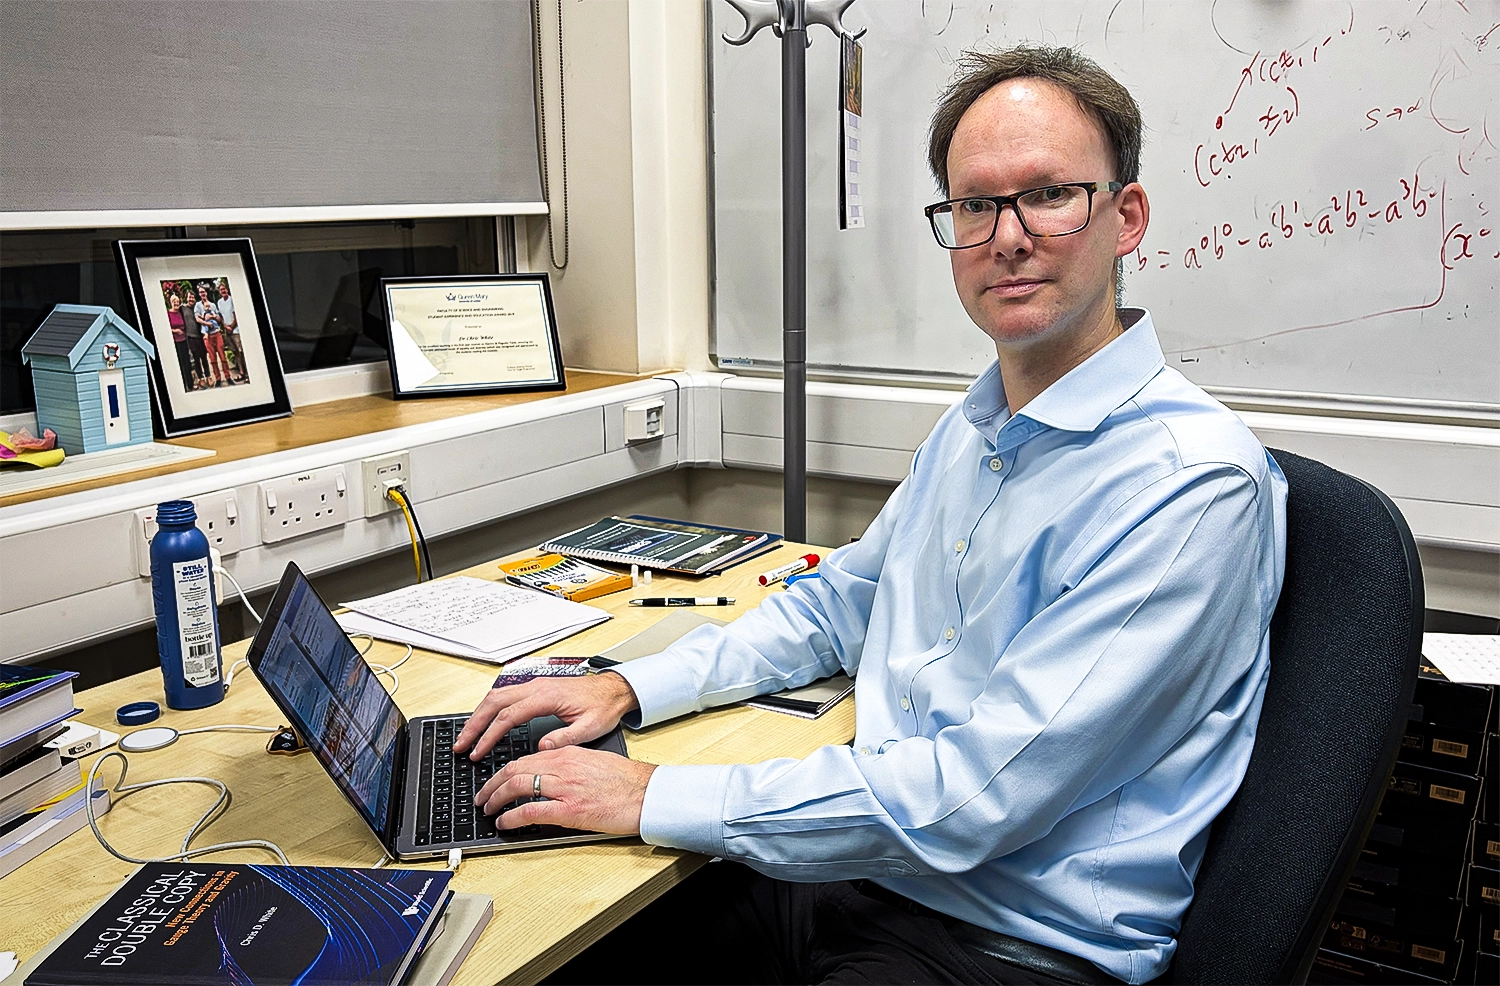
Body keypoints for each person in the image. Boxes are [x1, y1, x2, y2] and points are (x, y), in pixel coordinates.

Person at [453, 44, 1287, 986]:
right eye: (975, 205)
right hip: (866, 872)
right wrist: (631, 688)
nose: (1007, 237)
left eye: (1050, 195)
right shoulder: (977, 426)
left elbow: (976, 797)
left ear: (1125, 216)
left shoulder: (1190, 485)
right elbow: (838, 604)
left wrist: (651, 792)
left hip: (1015, 942)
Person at [194, 284, 230, 387]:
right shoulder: (198, 305)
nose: (202, 294)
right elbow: (197, 319)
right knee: (213, 359)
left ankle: (228, 377)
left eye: (203, 291)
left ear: (206, 292)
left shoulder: (213, 305)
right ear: (199, 294)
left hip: (216, 333)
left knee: (222, 356)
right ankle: (218, 378)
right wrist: (207, 322)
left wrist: (212, 317)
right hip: (207, 336)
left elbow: (218, 318)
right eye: (200, 292)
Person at [216, 281, 248, 384]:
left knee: (242, 352)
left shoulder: (232, 299)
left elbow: (236, 315)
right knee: (235, 353)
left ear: (227, 289)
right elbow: (221, 317)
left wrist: (231, 327)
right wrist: (225, 327)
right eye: (221, 290)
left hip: (236, 330)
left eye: (224, 289)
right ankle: (241, 372)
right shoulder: (219, 302)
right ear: (219, 292)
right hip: (227, 331)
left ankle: (248, 374)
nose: (223, 291)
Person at [179, 286, 208, 388]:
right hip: (190, 337)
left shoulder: (197, 307)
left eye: (193, 297)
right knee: (196, 358)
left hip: (200, 335)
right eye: (189, 297)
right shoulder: (182, 308)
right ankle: (201, 378)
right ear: (186, 298)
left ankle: (208, 376)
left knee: (204, 357)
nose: (191, 299)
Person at [165, 291, 194, 390]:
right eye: (174, 302)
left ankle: (190, 384)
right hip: (175, 342)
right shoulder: (168, 314)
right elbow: (166, 328)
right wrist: (175, 331)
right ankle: (182, 386)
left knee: (187, 363)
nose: (176, 303)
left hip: (184, 340)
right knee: (180, 364)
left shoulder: (181, 312)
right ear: (171, 303)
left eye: (177, 301)